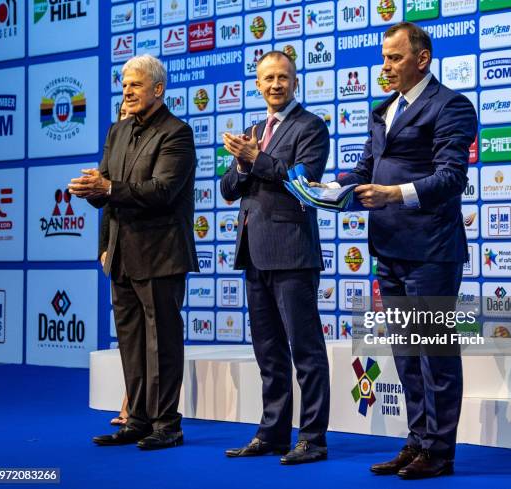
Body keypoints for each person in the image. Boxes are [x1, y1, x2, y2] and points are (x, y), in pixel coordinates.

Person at [315, 22, 477, 479]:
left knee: (435, 355)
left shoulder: (451, 106)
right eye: (384, 58)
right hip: (388, 247)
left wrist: (392, 193)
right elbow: (365, 167)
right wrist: (325, 189)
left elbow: (451, 179)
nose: (385, 67)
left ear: (421, 59)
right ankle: (417, 441)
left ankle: (439, 453)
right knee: (406, 356)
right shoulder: (383, 108)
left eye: (395, 58)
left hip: (431, 250)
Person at [69, 54, 197, 450]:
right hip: (122, 254)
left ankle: (167, 424)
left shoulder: (177, 132)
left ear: (157, 90)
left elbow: (162, 192)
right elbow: (107, 191)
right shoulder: (118, 130)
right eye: (124, 84)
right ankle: (138, 420)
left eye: (135, 84)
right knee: (131, 341)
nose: (127, 90)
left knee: (162, 342)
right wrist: (95, 197)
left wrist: (107, 189)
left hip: (161, 253)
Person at [220, 51, 330, 465]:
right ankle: (273, 433)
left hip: (293, 253)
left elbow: (302, 182)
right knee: (268, 352)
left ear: (295, 81)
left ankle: (313, 439)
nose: (275, 85)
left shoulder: (311, 127)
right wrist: (245, 161)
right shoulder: (253, 131)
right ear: (257, 84)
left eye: (283, 77)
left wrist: (255, 159)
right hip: (254, 253)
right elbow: (229, 188)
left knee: (306, 352)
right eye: (268, 78)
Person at [100, 100, 131, 427]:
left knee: (149, 338)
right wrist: (102, 248)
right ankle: (131, 405)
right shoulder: (114, 143)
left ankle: (134, 406)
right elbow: (107, 206)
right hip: (118, 250)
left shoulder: (166, 138)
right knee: (128, 337)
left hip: (152, 250)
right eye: (121, 115)